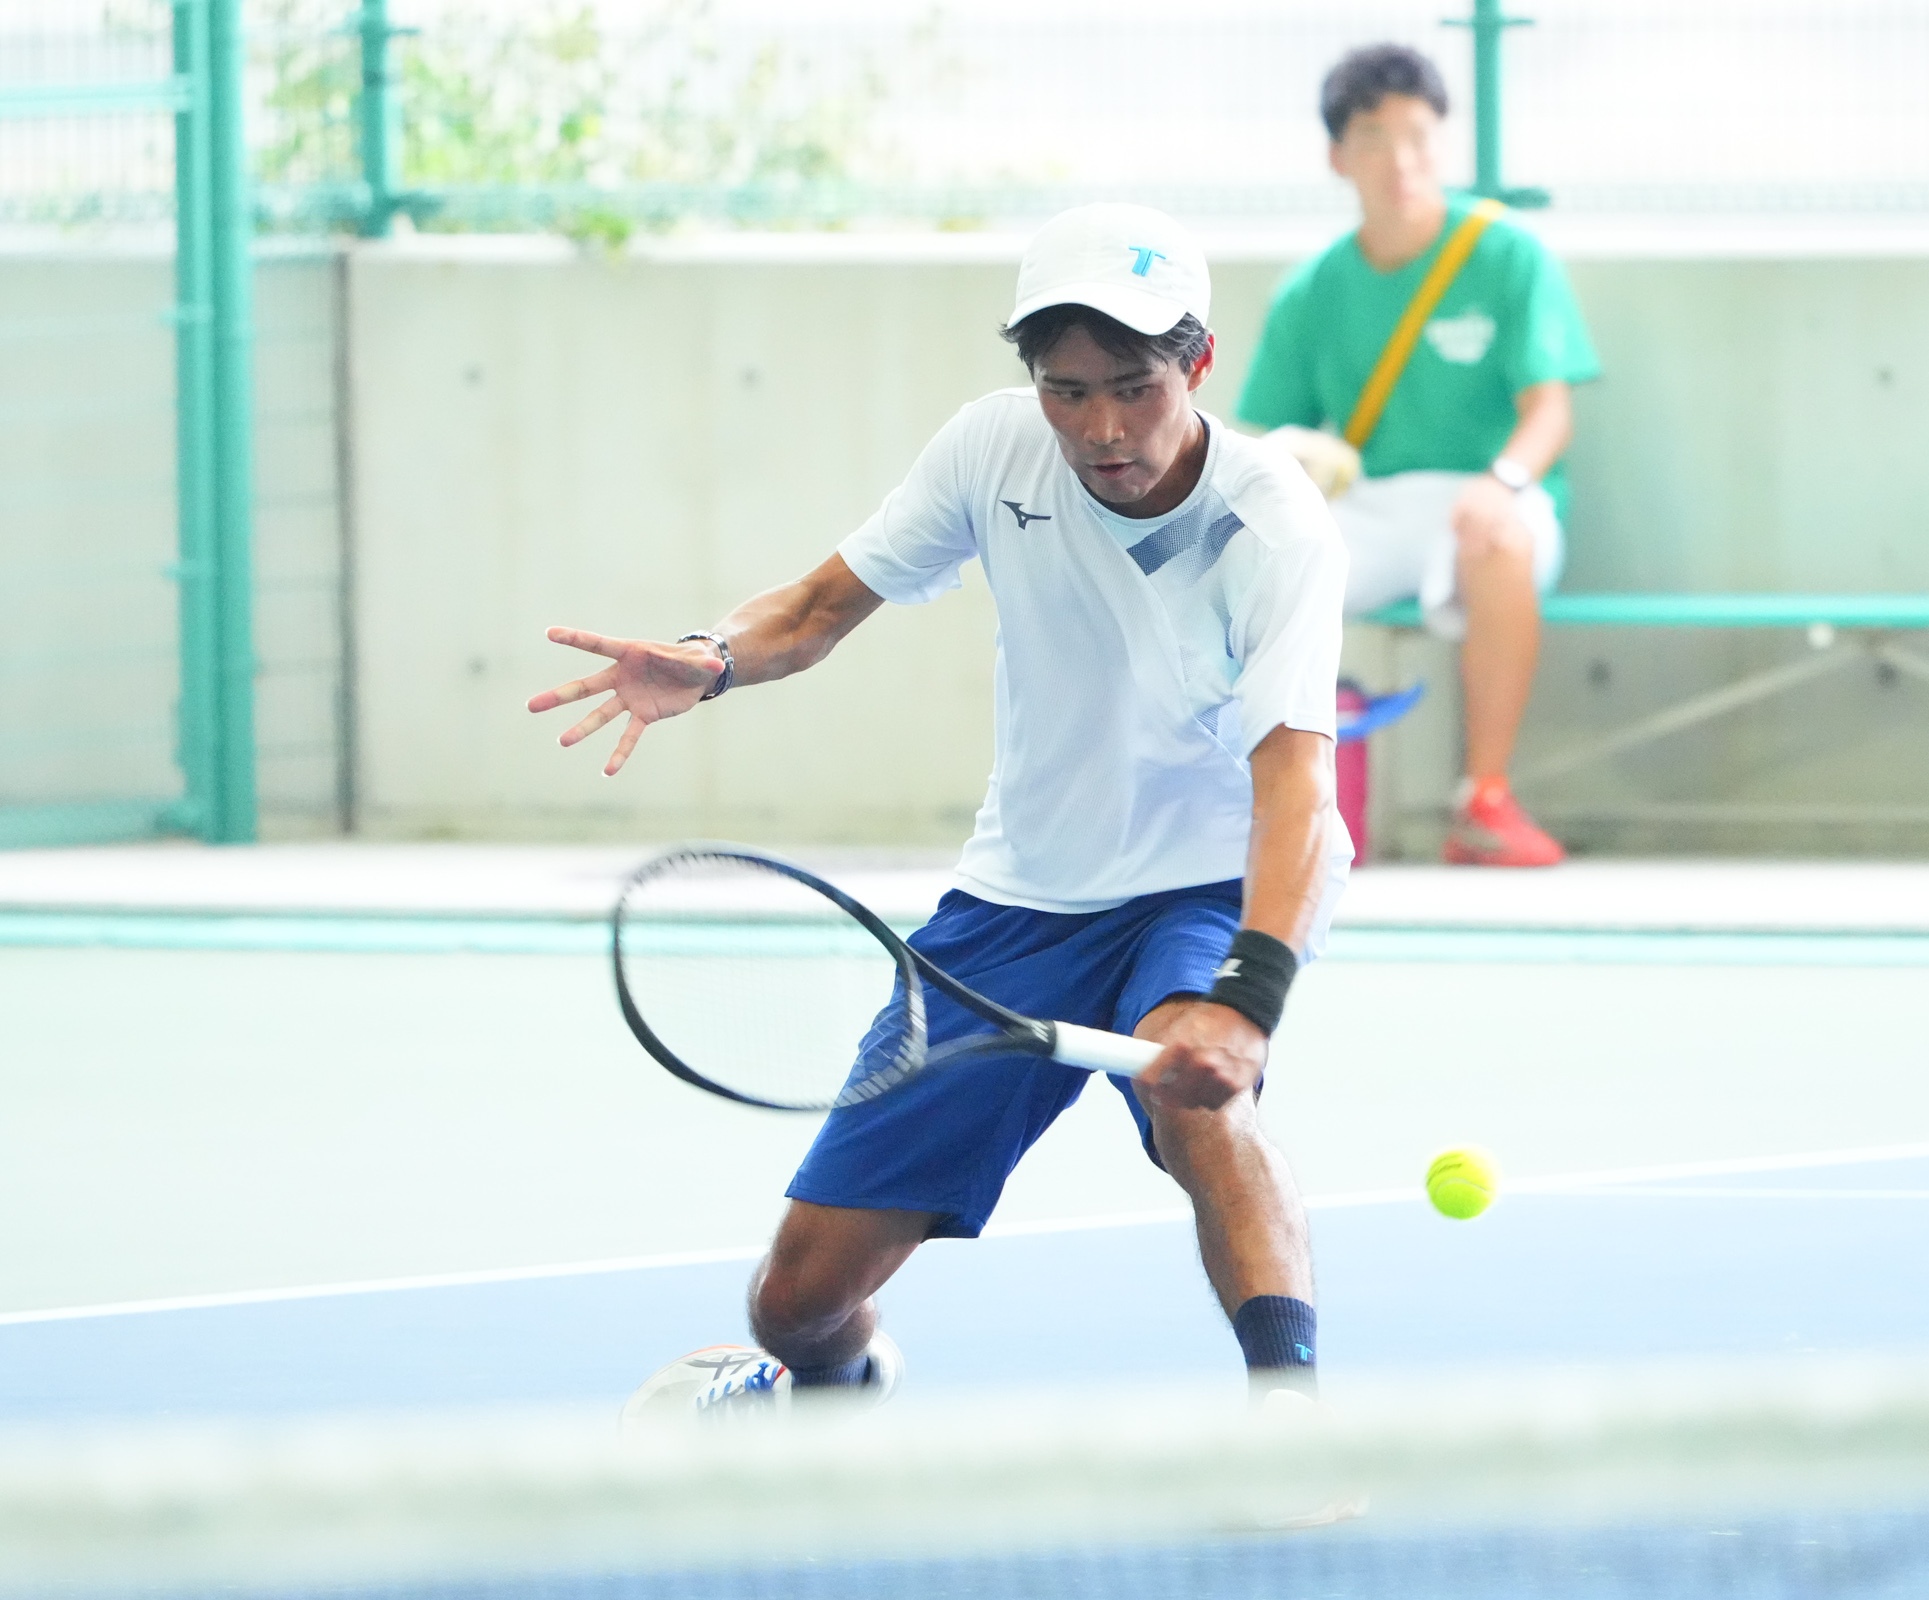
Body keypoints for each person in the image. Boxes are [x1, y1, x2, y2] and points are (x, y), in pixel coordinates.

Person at [527, 204, 1349, 1413]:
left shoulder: (1270, 523)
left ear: (1198, 364)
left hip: (1204, 881)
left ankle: (1291, 1419)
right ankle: (839, 1380)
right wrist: (713, 657)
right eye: (1069, 391)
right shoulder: (992, 450)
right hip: (1020, 899)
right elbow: (816, 608)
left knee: (1202, 1105)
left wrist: (1248, 1003)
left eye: (1134, 387)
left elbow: (1297, 788)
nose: (1103, 428)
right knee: (795, 1300)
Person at [1238, 43, 1602, 868]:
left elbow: (1550, 411)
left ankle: (1485, 799)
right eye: (1373, 136)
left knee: (1496, 539)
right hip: (1375, 500)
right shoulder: (1311, 290)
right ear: (1338, 156)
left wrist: (1503, 482)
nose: (1400, 159)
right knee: (1253, 562)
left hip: (1498, 493)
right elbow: (1270, 444)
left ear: (1441, 141)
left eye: (1417, 134)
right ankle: (1255, 800)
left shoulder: (1508, 255)